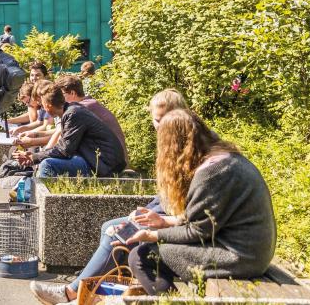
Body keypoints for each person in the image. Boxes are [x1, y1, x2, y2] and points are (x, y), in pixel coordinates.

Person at [30, 89, 190, 304]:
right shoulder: (172, 144)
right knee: (110, 226)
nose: (160, 125)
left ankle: (73, 293)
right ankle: (97, 292)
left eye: (163, 119)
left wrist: (150, 216)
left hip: (173, 219)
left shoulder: (184, 146)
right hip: (165, 213)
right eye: (157, 120)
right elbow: (167, 194)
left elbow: (182, 199)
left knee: (117, 235)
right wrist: (145, 210)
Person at [126, 110, 276, 295]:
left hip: (239, 256)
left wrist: (153, 235)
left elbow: (198, 231)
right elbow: (209, 219)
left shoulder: (211, 173)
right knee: (147, 250)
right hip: (251, 251)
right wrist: (165, 222)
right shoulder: (226, 158)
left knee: (141, 257)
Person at [14, 81, 126, 178]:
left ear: (48, 105)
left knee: (47, 165)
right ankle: (29, 193)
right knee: (47, 161)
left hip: (104, 164)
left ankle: (35, 199)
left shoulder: (73, 114)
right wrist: (37, 155)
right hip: (97, 159)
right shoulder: (71, 111)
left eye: (42, 105)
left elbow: (64, 150)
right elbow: (64, 146)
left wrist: (35, 156)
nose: (42, 109)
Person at [56, 74, 128, 162]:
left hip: (111, 162)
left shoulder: (81, 108)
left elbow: (60, 134)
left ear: (72, 93)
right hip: (110, 158)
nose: (59, 99)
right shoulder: (88, 104)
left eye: (61, 95)